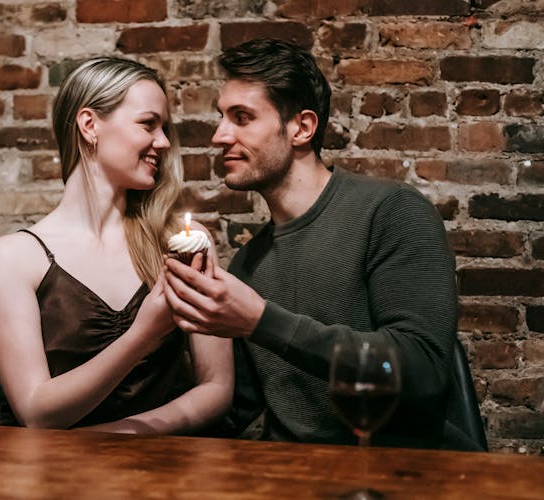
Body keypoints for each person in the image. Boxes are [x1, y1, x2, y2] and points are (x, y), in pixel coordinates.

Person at [163, 38, 477, 449]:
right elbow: (233, 411)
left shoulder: (391, 212)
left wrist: (260, 320)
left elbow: (422, 369)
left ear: (302, 128)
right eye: (222, 117)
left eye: (242, 117)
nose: (219, 135)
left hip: (402, 474)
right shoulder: (247, 265)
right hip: (295, 476)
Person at [0, 57, 232, 433]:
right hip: (45, 469)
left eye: (164, 128)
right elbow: (35, 412)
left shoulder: (183, 242)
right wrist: (143, 334)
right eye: (148, 124)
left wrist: (122, 434)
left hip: (153, 463)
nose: (163, 142)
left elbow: (217, 387)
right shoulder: (13, 257)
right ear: (89, 125)